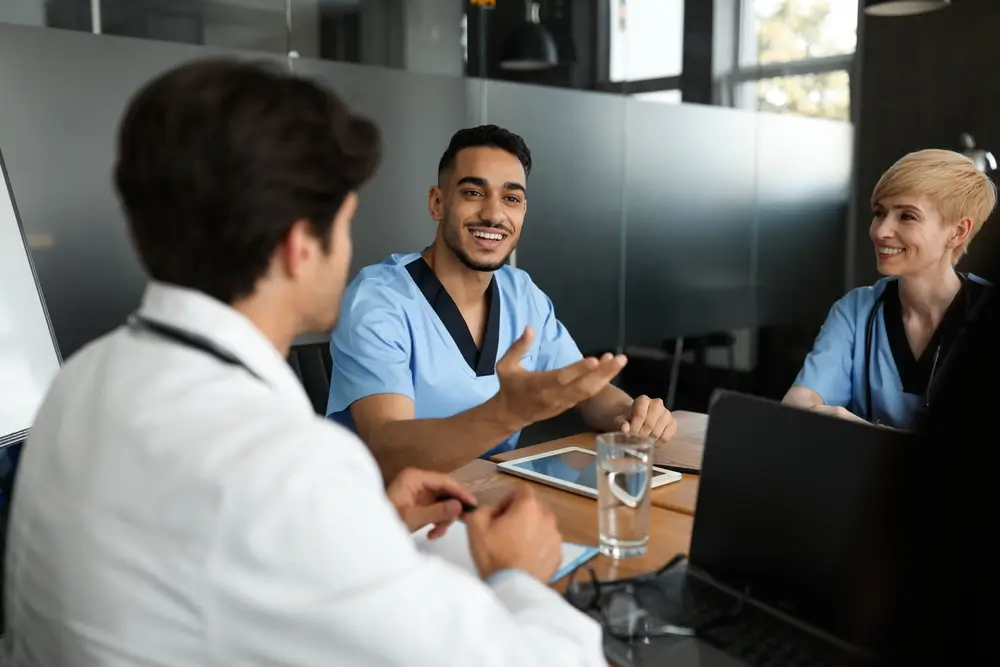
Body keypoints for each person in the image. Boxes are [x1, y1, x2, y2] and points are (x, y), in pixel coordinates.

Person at [1, 60, 605, 667]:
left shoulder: (75, 384)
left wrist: (363, 524)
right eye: (344, 225)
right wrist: (517, 577)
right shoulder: (287, 471)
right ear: (300, 246)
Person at [327, 125, 676, 480]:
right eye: (474, 192)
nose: (494, 214)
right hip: (384, 510)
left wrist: (631, 413)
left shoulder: (521, 292)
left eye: (511, 198)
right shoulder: (378, 299)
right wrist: (506, 412)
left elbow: (584, 390)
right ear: (437, 202)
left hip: (488, 494)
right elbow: (389, 449)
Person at [783, 149, 996, 429]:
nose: (881, 231)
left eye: (907, 216)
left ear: (957, 232)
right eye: (879, 213)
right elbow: (797, 404)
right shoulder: (856, 310)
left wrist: (869, 437)